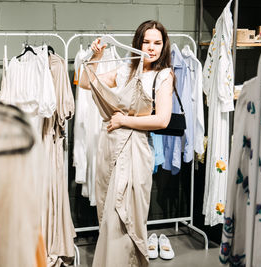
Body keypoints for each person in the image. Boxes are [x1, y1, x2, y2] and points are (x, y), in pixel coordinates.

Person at [79, 20, 174, 267]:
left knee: (127, 213)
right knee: (108, 213)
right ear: (137, 43)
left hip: (136, 149)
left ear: (164, 46)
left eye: (157, 43)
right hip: (109, 147)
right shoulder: (124, 70)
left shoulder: (163, 75)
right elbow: (86, 82)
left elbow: (162, 120)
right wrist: (96, 55)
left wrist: (124, 120)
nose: (151, 48)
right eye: (146, 42)